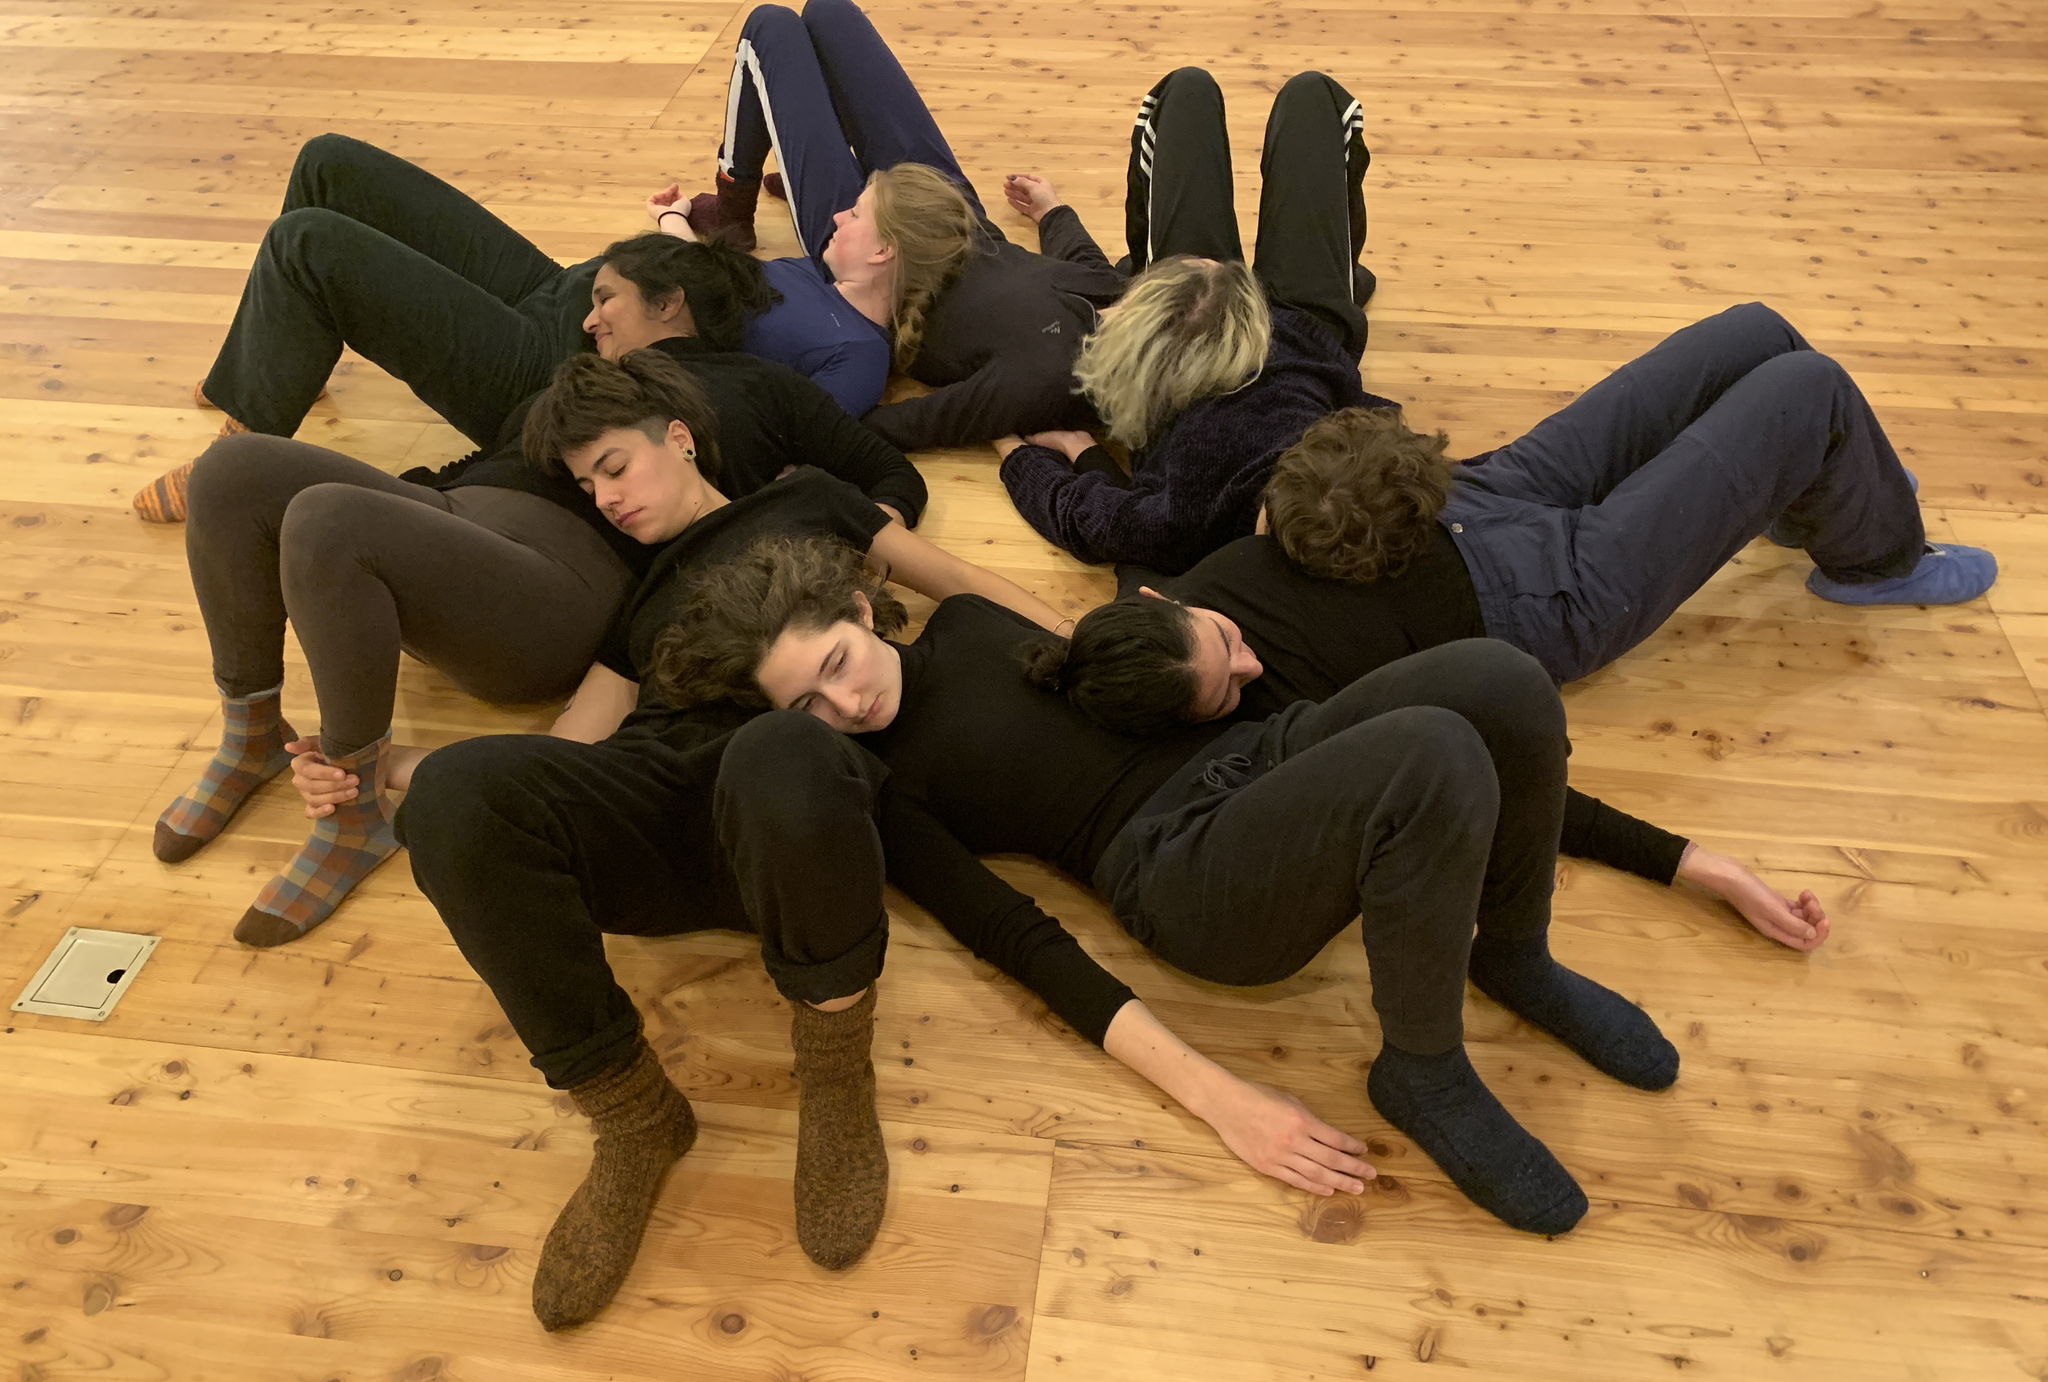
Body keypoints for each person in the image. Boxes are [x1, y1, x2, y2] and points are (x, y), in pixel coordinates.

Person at [657, 536, 1689, 1242]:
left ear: (856, 608)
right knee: (1429, 751)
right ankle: (1421, 1070)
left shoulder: (971, 618)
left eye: (837, 660)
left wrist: (1665, 855)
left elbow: (1137, 679)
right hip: (1178, 870)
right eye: (809, 705)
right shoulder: (882, 785)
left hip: (1256, 759)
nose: (846, 699)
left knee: (1499, 680)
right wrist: (1219, 1099)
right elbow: (1012, 935)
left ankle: (1512, 953)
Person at [359, 457, 1157, 1325]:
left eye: (616, 467)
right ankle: (632, 1120)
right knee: (449, 798)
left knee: (782, 749)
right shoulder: (656, 609)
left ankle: (834, 1076)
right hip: (642, 802)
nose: (848, 700)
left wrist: (1096, 638)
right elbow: (566, 751)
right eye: (590, 481)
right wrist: (396, 768)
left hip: (778, 821)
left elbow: (995, 913)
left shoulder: (818, 534)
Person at [156, 252, 929, 949]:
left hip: (562, 579)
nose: (592, 318)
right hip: (462, 520)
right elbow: (492, 459)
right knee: (231, 474)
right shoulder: (570, 400)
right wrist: (423, 504)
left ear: (671, 305)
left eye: (608, 298)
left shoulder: (754, 384)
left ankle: (353, 816)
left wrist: (847, 554)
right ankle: (252, 730)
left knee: (326, 518)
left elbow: (884, 471)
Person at [130, 128, 903, 520]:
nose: (839, 213)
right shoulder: (818, 268)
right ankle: (277, 350)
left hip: (554, 369)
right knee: (329, 163)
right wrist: (670, 228)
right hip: (570, 289)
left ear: (891, 254)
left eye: (859, 215)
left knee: (307, 247)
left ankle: (242, 446)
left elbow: (799, 439)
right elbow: (703, 279)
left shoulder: (856, 352)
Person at [1023, 584, 1831, 951]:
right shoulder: (1252, 709)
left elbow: (1517, 755)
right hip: (1518, 586)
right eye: (1221, 692)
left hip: (1481, 525)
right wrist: (1697, 867)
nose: (1251, 666)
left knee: (1756, 348)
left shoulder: (1183, 621)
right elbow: (1502, 768)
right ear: (1179, 726)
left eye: (1226, 641)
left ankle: (1516, 955)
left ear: (1165, 593)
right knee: (1452, 736)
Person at [1255, 303, 1996, 680]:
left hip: (1463, 509)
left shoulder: (1283, 524)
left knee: (1755, 331)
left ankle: (1823, 493)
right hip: (1550, 597)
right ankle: (1877, 561)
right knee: (1811, 388)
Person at [679, 0, 1129, 448]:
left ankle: (733, 211)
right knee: (828, 10)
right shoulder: (1121, 296)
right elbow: (1087, 266)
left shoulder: (1041, 376)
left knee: (769, 29)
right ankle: (835, 173)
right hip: (944, 210)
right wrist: (1052, 210)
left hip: (868, 260)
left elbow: (918, 423)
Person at [994, 66, 1392, 579]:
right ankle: (1339, 278)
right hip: (1304, 329)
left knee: (1184, 92)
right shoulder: (1349, 482)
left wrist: (1014, 451)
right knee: (1314, 97)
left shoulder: (1184, 523)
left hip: (1187, 328)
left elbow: (1077, 515)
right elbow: (1379, 420)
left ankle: (1162, 272)